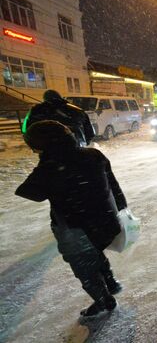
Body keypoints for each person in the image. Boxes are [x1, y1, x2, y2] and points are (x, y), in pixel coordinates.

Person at [15, 121, 125, 318]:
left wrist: (46, 161)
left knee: (84, 267)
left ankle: (104, 301)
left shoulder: (49, 168)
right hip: (105, 220)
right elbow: (113, 185)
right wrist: (122, 208)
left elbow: (28, 192)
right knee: (97, 253)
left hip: (75, 228)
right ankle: (111, 282)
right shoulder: (93, 155)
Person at [24, 89, 95, 147]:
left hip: (49, 151)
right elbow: (90, 133)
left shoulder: (36, 110)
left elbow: (26, 130)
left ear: (45, 99)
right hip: (77, 147)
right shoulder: (78, 110)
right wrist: (83, 143)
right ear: (60, 97)